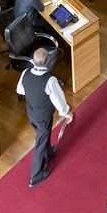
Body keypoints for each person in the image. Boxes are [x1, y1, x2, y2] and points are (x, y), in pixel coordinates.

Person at [16, 48, 73, 188]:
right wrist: (66, 113)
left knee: (43, 134)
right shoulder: (50, 80)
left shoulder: (25, 73)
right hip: (43, 116)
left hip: (31, 113)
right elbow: (58, 99)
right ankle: (35, 176)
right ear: (47, 61)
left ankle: (48, 153)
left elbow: (20, 90)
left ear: (33, 61)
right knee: (40, 143)